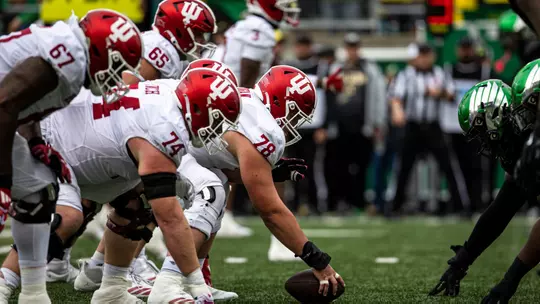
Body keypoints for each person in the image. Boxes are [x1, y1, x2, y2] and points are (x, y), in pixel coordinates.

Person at [3, 69, 241, 304]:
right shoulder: (164, 129)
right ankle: (5, 281)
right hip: (51, 140)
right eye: (217, 119)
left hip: (93, 147)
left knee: (137, 204)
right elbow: (170, 219)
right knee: (68, 217)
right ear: (196, 108)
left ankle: (112, 289)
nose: (219, 130)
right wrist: (195, 282)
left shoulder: (173, 94)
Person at [145, 64, 345, 302]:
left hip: (169, 141)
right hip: (163, 142)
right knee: (212, 192)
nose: (293, 123)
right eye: (294, 114)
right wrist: (317, 259)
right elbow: (270, 211)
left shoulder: (250, 103)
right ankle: (168, 282)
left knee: (218, 184)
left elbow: (227, 170)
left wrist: (270, 173)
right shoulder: (263, 128)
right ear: (281, 103)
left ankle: (192, 281)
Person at [75, 0, 225, 293]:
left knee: (140, 198)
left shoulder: (167, 47)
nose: (203, 42)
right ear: (178, 30)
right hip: (125, 134)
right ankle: (130, 264)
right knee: (148, 196)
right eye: (198, 33)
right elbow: (124, 93)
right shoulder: (160, 51)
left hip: (131, 133)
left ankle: (98, 267)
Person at [0, 9, 143, 303]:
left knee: (38, 191)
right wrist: (3, 180)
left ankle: (33, 293)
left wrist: (37, 142)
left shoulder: (74, 59)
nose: (116, 75)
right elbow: (3, 105)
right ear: (100, 48)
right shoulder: (69, 57)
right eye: (116, 63)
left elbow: (21, 105)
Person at [428, 62, 538, 298]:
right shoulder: (520, 146)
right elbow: (502, 208)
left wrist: (511, 279)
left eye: (481, 134)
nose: (483, 144)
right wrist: (463, 259)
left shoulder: (530, 144)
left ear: (494, 119)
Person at [387, 43, 469, 216]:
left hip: (433, 126)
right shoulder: (406, 75)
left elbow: (452, 94)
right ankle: (394, 206)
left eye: (427, 55)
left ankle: (461, 206)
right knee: (403, 167)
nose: (424, 59)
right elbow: (395, 97)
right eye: (421, 55)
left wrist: (438, 93)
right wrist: (397, 111)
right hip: (413, 125)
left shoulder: (440, 73)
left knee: (448, 165)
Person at [328, 32, 386, 211]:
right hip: (341, 126)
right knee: (340, 167)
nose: (352, 51)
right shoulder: (336, 68)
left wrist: (378, 122)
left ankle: (359, 202)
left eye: (354, 47)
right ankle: (342, 202)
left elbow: (378, 96)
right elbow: (329, 96)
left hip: (363, 126)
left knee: (361, 167)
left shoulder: (369, 68)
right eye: (349, 47)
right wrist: (330, 124)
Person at [443, 37, 491, 212]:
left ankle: (478, 203)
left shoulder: (484, 71)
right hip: (454, 127)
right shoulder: (449, 70)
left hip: (476, 128)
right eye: (462, 48)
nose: (465, 52)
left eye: (468, 48)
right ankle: (460, 206)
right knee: (457, 168)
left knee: (477, 167)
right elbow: (445, 93)